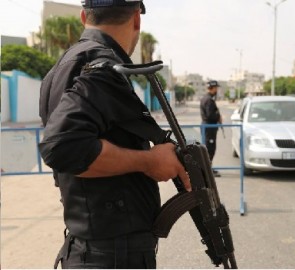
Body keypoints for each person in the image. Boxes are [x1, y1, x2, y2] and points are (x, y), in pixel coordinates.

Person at [38, 0, 191, 268]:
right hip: (112, 254)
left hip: (94, 248)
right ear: (136, 19)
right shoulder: (102, 66)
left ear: (85, 16)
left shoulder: (64, 65)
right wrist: (150, 161)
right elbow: (63, 147)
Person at [200, 80, 222, 177]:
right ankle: (208, 171)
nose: (217, 90)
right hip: (209, 128)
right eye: (216, 88)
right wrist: (218, 116)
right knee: (210, 149)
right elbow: (210, 115)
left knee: (209, 148)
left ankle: (208, 169)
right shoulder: (209, 100)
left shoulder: (207, 98)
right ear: (212, 88)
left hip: (208, 127)